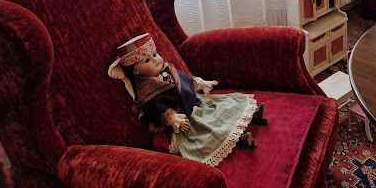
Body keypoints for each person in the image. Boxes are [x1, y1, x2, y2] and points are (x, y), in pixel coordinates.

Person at [107, 33, 267, 166]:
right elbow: (154, 108)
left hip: (194, 102)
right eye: (147, 60)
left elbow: (184, 80)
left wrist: (199, 83)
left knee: (223, 108)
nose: (155, 60)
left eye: (154, 55)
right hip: (184, 117)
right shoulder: (146, 90)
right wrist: (171, 117)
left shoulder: (168, 69)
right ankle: (240, 139)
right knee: (209, 129)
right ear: (135, 71)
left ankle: (253, 117)